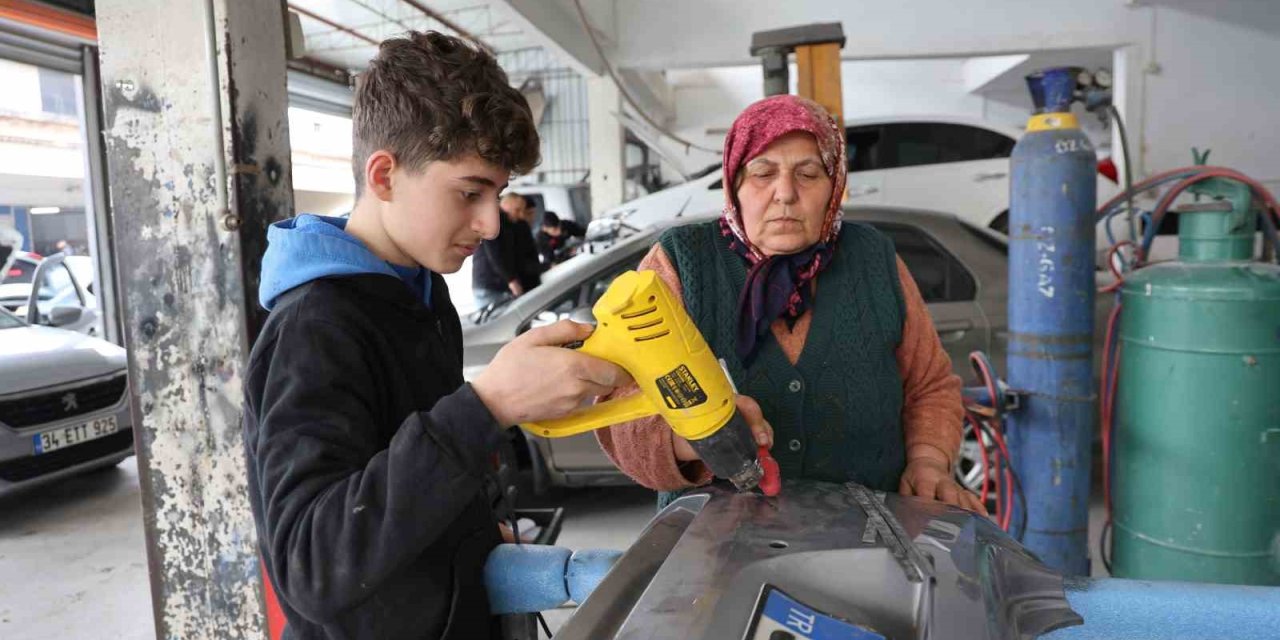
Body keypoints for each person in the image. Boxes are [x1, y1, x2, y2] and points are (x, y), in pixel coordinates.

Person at [242, 31, 629, 640]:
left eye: (497, 194)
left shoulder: (423, 296)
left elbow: (409, 484)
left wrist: (475, 535)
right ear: (385, 174)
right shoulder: (315, 328)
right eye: (469, 192)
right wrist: (489, 405)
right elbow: (311, 567)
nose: (491, 222)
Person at [597, 95, 985, 513]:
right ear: (734, 184)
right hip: (713, 547)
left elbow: (930, 386)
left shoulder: (874, 258)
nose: (785, 194)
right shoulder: (681, 261)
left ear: (833, 184)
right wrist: (690, 440)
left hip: (864, 541)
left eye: (809, 173)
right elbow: (622, 407)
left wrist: (929, 462)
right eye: (762, 173)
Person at [472, 193, 528, 307]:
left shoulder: (506, 224)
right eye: (517, 210)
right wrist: (511, 280)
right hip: (490, 286)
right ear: (506, 205)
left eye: (522, 211)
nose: (520, 215)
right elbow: (495, 255)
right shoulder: (494, 222)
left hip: (496, 285)